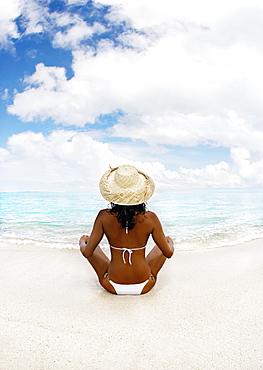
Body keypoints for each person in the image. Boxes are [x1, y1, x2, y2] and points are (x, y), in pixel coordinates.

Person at [79, 164, 174, 295]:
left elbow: (87, 253)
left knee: (90, 243)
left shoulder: (104, 216)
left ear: (113, 194)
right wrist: (169, 243)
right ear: (142, 194)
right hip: (145, 284)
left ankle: (90, 245)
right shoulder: (150, 218)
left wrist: (82, 243)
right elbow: (168, 253)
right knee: (165, 242)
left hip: (111, 284)